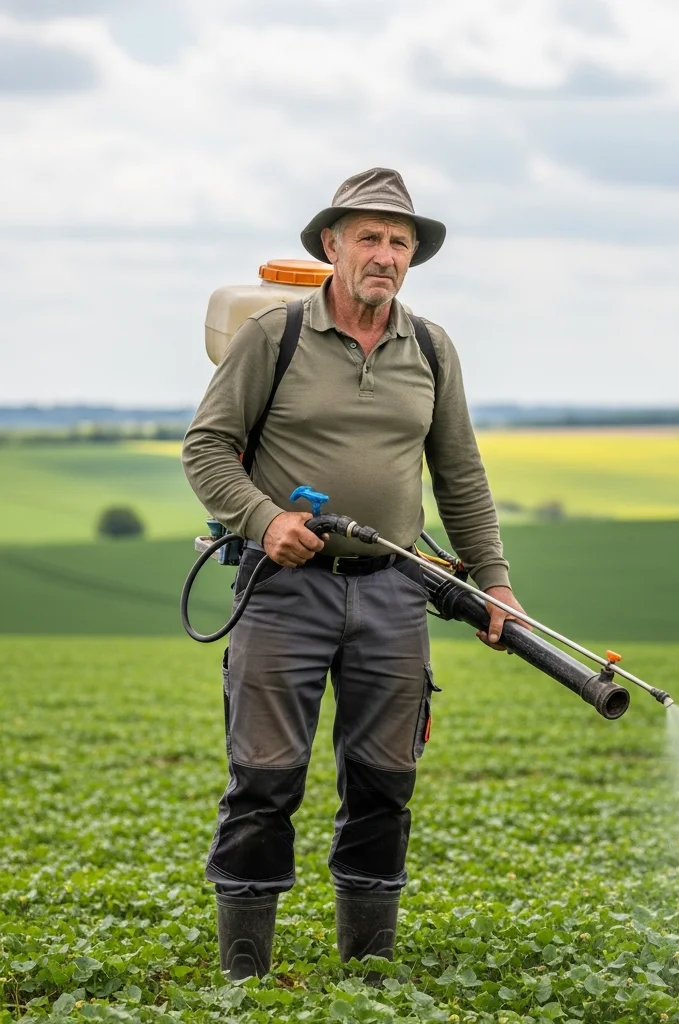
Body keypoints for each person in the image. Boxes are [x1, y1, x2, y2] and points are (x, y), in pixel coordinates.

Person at [182, 167, 525, 981]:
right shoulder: (274, 337)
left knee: (383, 782)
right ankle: (244, 981)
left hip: (394, 591)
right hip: (283, 592)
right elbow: (206, 448)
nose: (385, 254)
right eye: (368, 237)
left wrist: (495, 582)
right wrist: (268, 521)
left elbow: (461, 475)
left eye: (399, 241)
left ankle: (368, 979)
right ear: (331, 246)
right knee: (264, 781)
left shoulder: (430, 348)